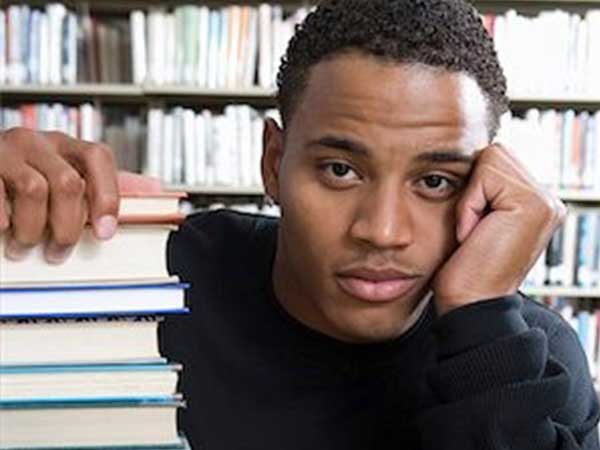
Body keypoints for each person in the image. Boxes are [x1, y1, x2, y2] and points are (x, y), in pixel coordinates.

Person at [0, 0, 598, 448]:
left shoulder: (524, 356)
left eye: (435, 181)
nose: (382, 231)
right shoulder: (144, 281)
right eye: (340, 169)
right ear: (272, 164)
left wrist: (480, 317)